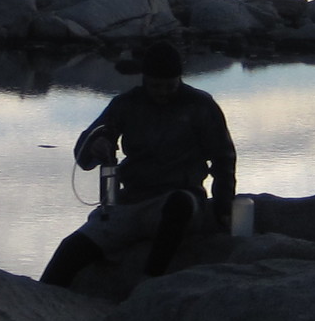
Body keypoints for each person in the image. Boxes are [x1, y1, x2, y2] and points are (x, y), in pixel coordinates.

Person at [40, 39, 237, 289]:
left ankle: (150, 281)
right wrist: (97, 143)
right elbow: (83, 157)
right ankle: (41, 298)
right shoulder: (126, 104)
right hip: (130, 201)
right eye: (156, 86)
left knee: (180, 205)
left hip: (180, 198)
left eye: (170, 86)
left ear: (180, 79)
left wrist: (223, 208)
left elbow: (224, 159)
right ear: (144, 79)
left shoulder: (201, 105)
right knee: (72, 248)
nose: (163, 92)